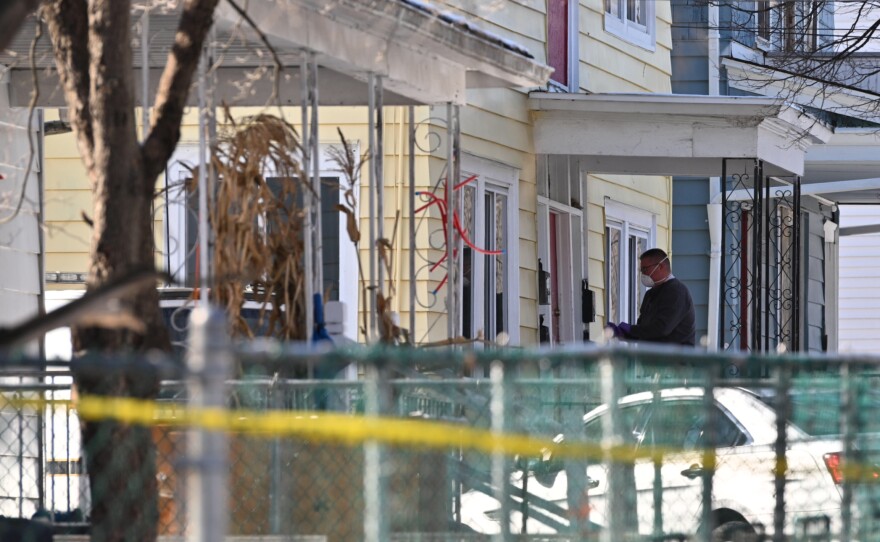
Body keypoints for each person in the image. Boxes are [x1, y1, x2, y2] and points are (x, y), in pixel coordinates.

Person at [607, 248, 695, 346]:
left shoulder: (677, 291)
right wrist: (622, 333)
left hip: (674, 355)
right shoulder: (650, 294)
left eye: (645, 269)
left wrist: (631, 329)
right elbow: (644, 331)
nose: (643, 274)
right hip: (651, 354)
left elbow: (662, 328)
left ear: (660, 266)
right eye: (642, 270)